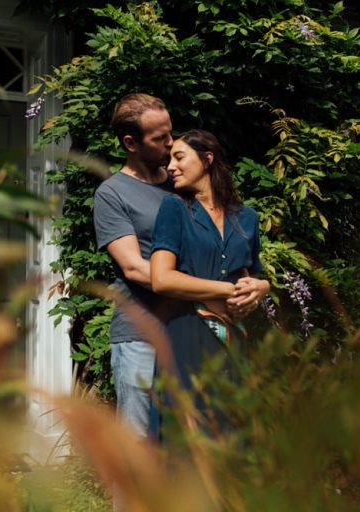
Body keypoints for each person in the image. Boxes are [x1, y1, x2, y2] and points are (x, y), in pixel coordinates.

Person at [149, 129, 270, 440]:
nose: (170, 167)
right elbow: (161, 279)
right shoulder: (174, 209)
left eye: (179, 157)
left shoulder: (248, 218)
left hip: (234, 339)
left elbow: (251, 275)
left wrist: (261, 289)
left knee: (232, 433)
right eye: (169, 160)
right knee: (190, 439)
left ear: (207, 159)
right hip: (186, 333)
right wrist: (228, 291)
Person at [93, 93, 175, 439]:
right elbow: (134, 269)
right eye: (160, 138)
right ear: (131, 143)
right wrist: (206, 289)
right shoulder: (112, 194)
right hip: (139, 335)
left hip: (186, 329)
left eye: (171, 133)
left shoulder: (181, 183)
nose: (171, 143)